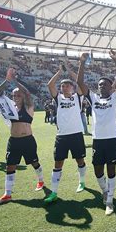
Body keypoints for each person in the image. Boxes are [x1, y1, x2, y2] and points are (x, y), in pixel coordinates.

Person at [77, 50, 116, 215]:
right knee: (98, 170)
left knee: (111, 170)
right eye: (100, 84)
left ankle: (110, 200)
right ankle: (105, 190)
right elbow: (80, 82)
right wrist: (82, 62)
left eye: (105, 84)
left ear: (111, 87)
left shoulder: (115, 98)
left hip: (111, 140)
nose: (102, 86)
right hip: (98, 140)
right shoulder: (93, 98)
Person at [0, 68, 45, 205]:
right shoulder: (10, 108)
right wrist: (7, 80)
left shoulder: (28, 107)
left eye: (18, 95)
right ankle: (7, 194)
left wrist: (15, 80)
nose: (15, 97)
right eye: (13, 95)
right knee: (10, 166)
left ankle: (41, 180)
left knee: (34, 163)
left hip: (28, 141)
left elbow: (27, 93)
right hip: (13, 141)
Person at [44, 63, 88, 204]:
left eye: (67, 85)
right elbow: (50, 85)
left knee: (80, 161)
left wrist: (69, 71)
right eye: (62, 86)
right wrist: (59, 72)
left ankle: (81, 182)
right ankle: (54, 192)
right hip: (61, 136)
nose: (64, 87)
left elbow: (80, 83)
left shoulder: (77, 97)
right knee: (58, 164)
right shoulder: (58, 98)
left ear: (72, 88)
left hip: (76, 134)